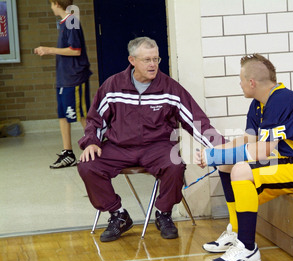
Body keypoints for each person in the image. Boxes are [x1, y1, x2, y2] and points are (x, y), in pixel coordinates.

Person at [77, 37, 225, 242]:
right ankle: (118, 214)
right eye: (147, 60)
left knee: (175, 164)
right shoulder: (112, 86)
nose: (153, 64)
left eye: (156, 59)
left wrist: (221, 149)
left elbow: (197, 122)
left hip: (158, 147)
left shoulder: (170, 88)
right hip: (119, 146)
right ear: (132, 60)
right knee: (87, 165)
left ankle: (163, 214)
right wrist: (91, 141)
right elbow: (95, 119)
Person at [197, 54, 293, 261]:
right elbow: (249, 141)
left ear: (252, 82)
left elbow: (262, 151)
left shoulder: (281, 101)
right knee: (227, 166)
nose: (239, 84)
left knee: (240, 170)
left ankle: (247, 249)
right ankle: (236, 231)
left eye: (241, 80)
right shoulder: (260, 103)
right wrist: (214, 152)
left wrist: (213, 157)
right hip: (287, 161)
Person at [34, 0, 92, 169]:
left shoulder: (72, 22)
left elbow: (76, 50)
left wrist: (48, 50)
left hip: (74, 78)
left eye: (51, 4)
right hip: (64, 78)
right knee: (62, 114)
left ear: (56, 4)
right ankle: (68, 153)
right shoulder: (64, 23)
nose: (51, 7)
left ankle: (96, 146)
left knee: (81, 114)